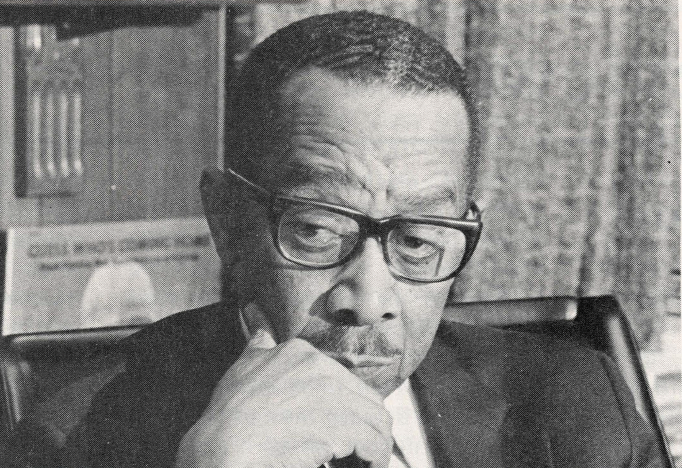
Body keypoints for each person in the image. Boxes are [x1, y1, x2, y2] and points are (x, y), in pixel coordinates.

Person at [63, 11, 662, 468]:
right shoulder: (72, 433)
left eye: (420, 240)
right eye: (318, 231)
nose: (370, 299)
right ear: (228, 222)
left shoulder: (576, 407)